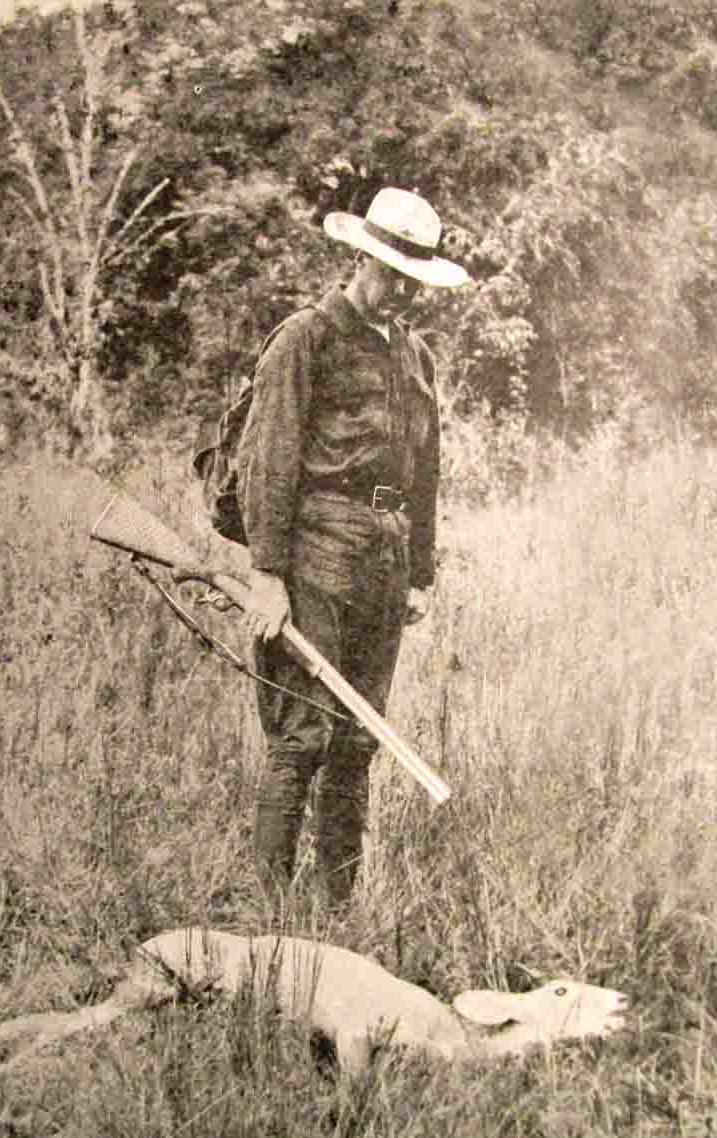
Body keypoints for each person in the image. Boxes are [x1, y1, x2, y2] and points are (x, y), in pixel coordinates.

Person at [238, 187, 470, 910]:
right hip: (316, 556)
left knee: (360, 740)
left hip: (386, 561)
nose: (401, 290)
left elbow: (424, 471)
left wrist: (420, 573)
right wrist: (269, 576)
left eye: (413, 278)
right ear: (359, 258)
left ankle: (339, 912)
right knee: (303, 734)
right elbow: (267, 462)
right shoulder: (305, 338)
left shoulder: (417, 356)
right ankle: (269, 920)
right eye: (390, 271)